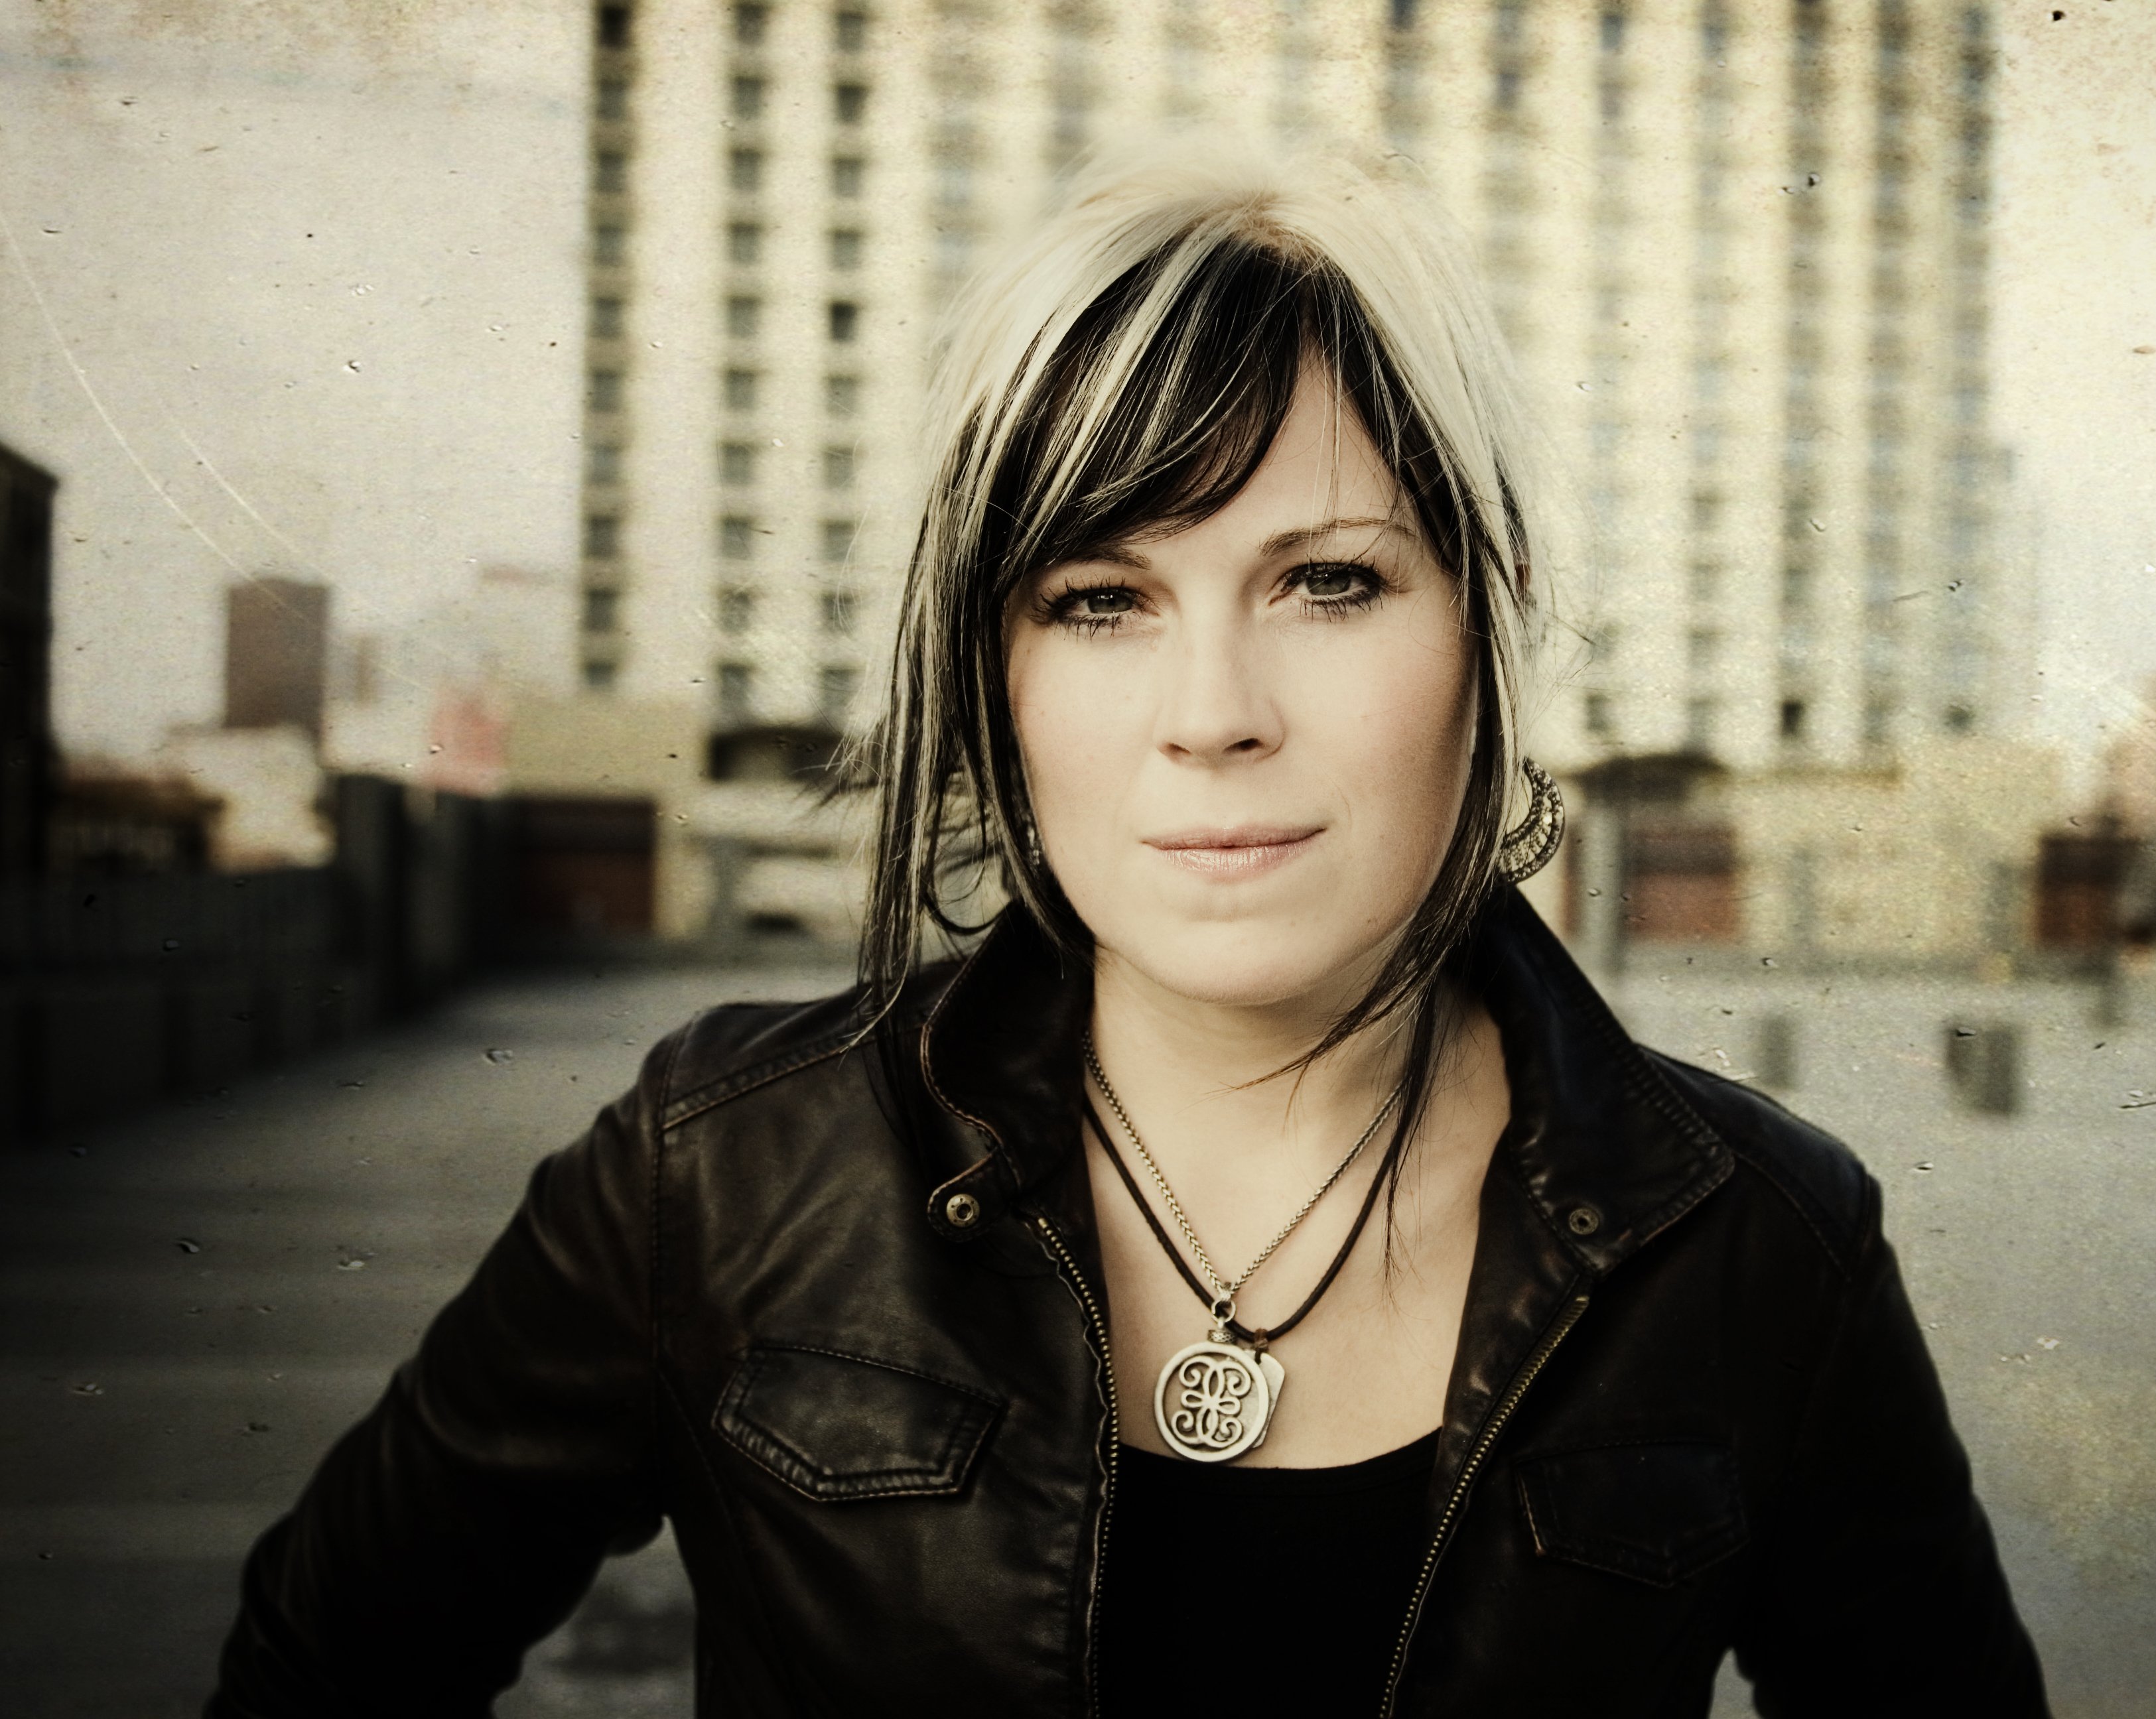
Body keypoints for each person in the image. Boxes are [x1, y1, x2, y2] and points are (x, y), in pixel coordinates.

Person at [209, 139, 2047, 1718]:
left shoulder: (1760, 1244)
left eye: (1329, 582)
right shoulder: (720, 1172)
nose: (1213, 713)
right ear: (995, 672)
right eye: (1100, 599)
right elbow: (319, 1666)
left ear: (1483, 625)